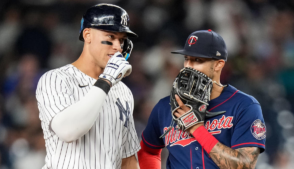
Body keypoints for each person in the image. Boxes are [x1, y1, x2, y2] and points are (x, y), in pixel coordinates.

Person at [138, 29, 266, 169]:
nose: (188, 66)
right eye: (186, 59)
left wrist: (196, 129)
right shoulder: (165, 106)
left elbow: (245, 165)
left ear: (218, 64)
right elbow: (147, 150)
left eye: (198, 60)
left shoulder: (244, 105)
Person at [35, 3, 140, 169]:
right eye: (111, 37)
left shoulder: (123, 92)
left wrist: (110, 80)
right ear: (88, 35)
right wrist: (107, 80)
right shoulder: (56, 79)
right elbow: (68, 131)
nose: (118, 47)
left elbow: (128, 160)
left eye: (121, 40)